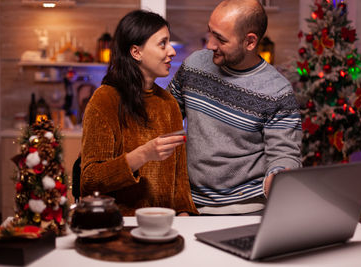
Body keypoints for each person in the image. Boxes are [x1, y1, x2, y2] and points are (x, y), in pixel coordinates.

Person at [168, 0, 302, 215]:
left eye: (220, 39)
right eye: (210, 33)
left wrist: (279, 174)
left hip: (248, 209)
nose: (210, 44)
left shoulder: (278, 91)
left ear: (250, 42)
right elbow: (165, 116)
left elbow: (284, 153)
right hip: (190, 205)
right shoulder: (194, 65)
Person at [81, 10, 198, 216]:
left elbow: (180, 181)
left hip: (166, 226)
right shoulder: (105, 100)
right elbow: (90, 180)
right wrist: (143, 154)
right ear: (136, 52)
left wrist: (184, 215)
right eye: (162, 43)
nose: (171, 51)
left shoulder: (169, 104)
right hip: (121, 226)